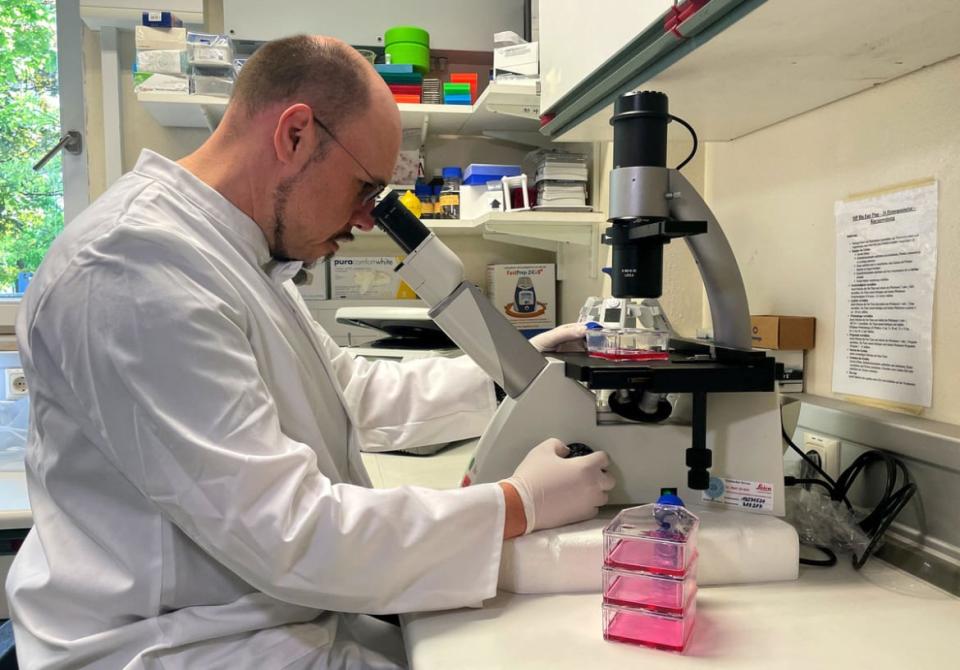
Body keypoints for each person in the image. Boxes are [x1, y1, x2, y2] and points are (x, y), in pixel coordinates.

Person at [6, 35, 614, 669]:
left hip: (270, 618)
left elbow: (346, 389)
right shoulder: (133, 266)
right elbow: (289, 532)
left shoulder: (237, 252)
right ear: (295, 134)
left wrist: (513, 370)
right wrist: (518, 505)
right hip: (180, 646)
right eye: (364, 188)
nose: (364, 219)